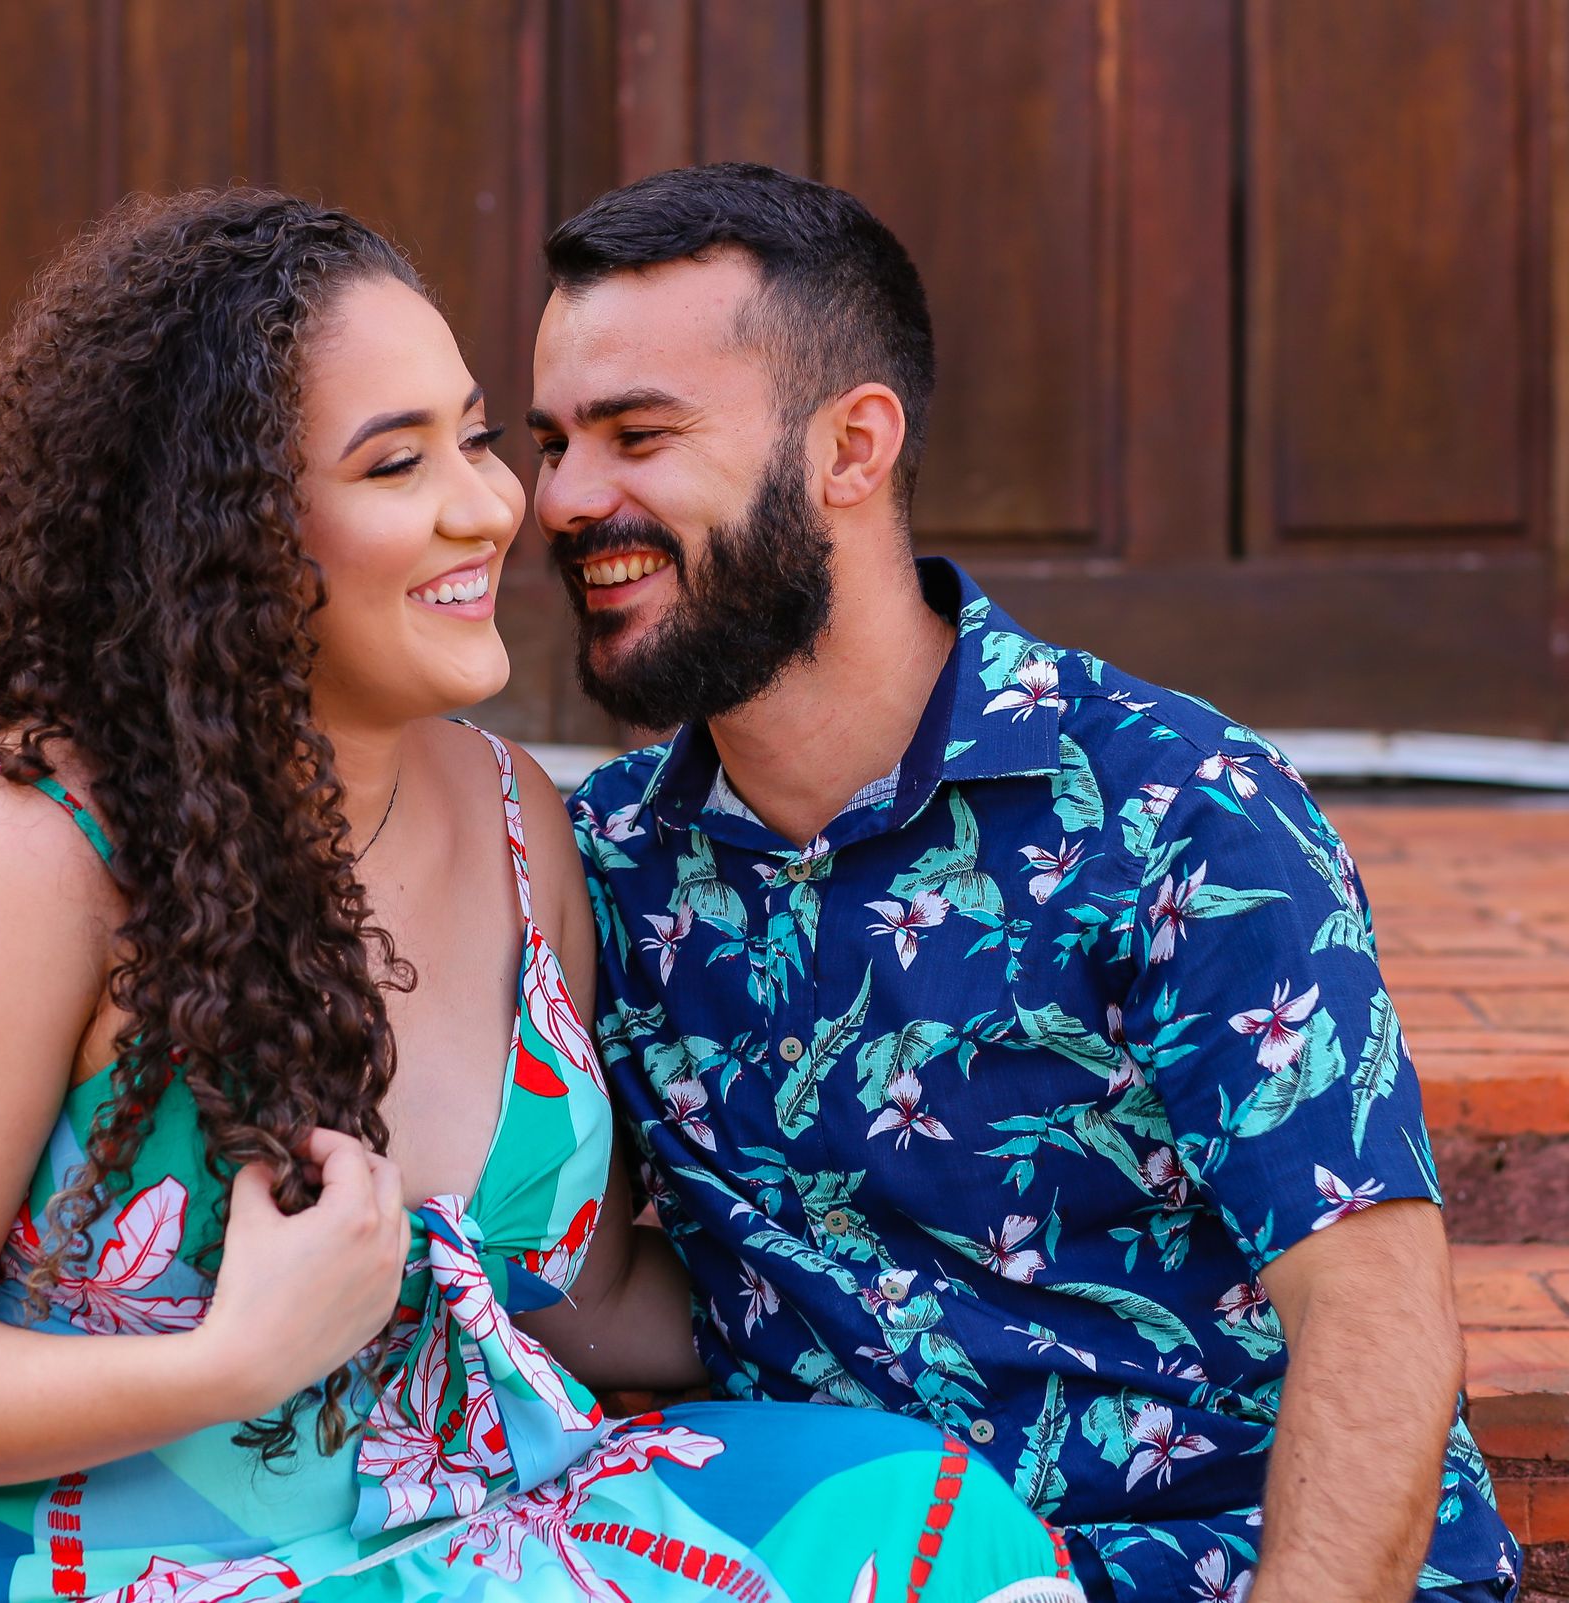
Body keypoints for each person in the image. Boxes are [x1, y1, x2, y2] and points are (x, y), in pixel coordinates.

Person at [0, 187, 1084, 1603]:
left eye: (473, 438)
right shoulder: (28, 856)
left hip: (473, 1525)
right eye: (397, 466)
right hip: (132, 1568)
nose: (495, 508)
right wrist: (235, 1363)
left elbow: (569, 1302)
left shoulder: (519, 819)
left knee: (937, 1522)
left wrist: (977, 1317)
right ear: (222, 531)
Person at [543, 163, 1522, 1603]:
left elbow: (1372, 1317)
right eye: (552, 441)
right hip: (883, 1561)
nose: (565, 498)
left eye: (637, 434)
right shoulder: (617, 859)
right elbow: (625, 1301)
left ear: (850, 449)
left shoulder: (1175, 810)